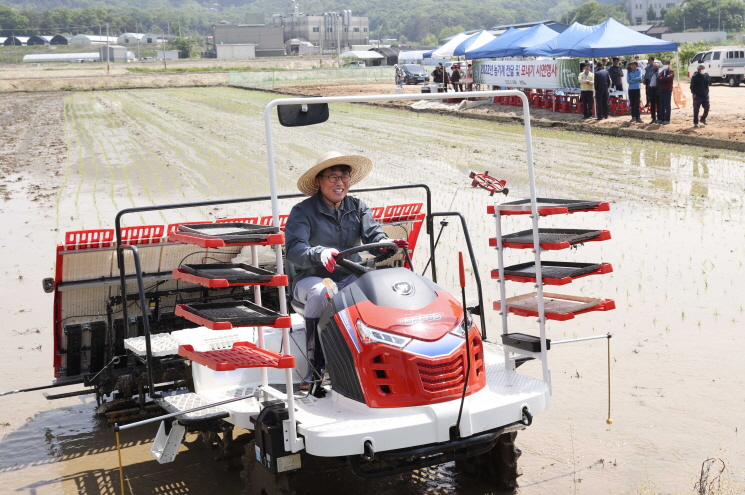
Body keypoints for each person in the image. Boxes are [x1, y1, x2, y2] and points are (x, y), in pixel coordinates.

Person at [285, 152, 409, 382]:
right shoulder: (302, 212)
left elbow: (374, 237)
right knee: (324, 292)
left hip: (351, 275)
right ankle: (315, 367)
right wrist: (319, 253)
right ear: (318, 181)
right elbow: (294, 250)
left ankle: (379, 362)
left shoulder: (358, 207)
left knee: (378, 292)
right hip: (312, 278)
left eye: (344, 177)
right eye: (332, 177)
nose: (340, 183)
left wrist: (384, 244)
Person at [657, 59, 674, 125]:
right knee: (662, 105)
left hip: (667, 90)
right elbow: (658, 78)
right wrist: (663, 79)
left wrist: (662, 79)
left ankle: (667, 119)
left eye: (666, 63)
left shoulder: (671, 71)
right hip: (661, 90)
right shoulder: (662, 71)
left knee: (667, 105)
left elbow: (668, 78)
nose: (665, 65)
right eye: (664, 63)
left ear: (669, 64)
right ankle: (662, 119)